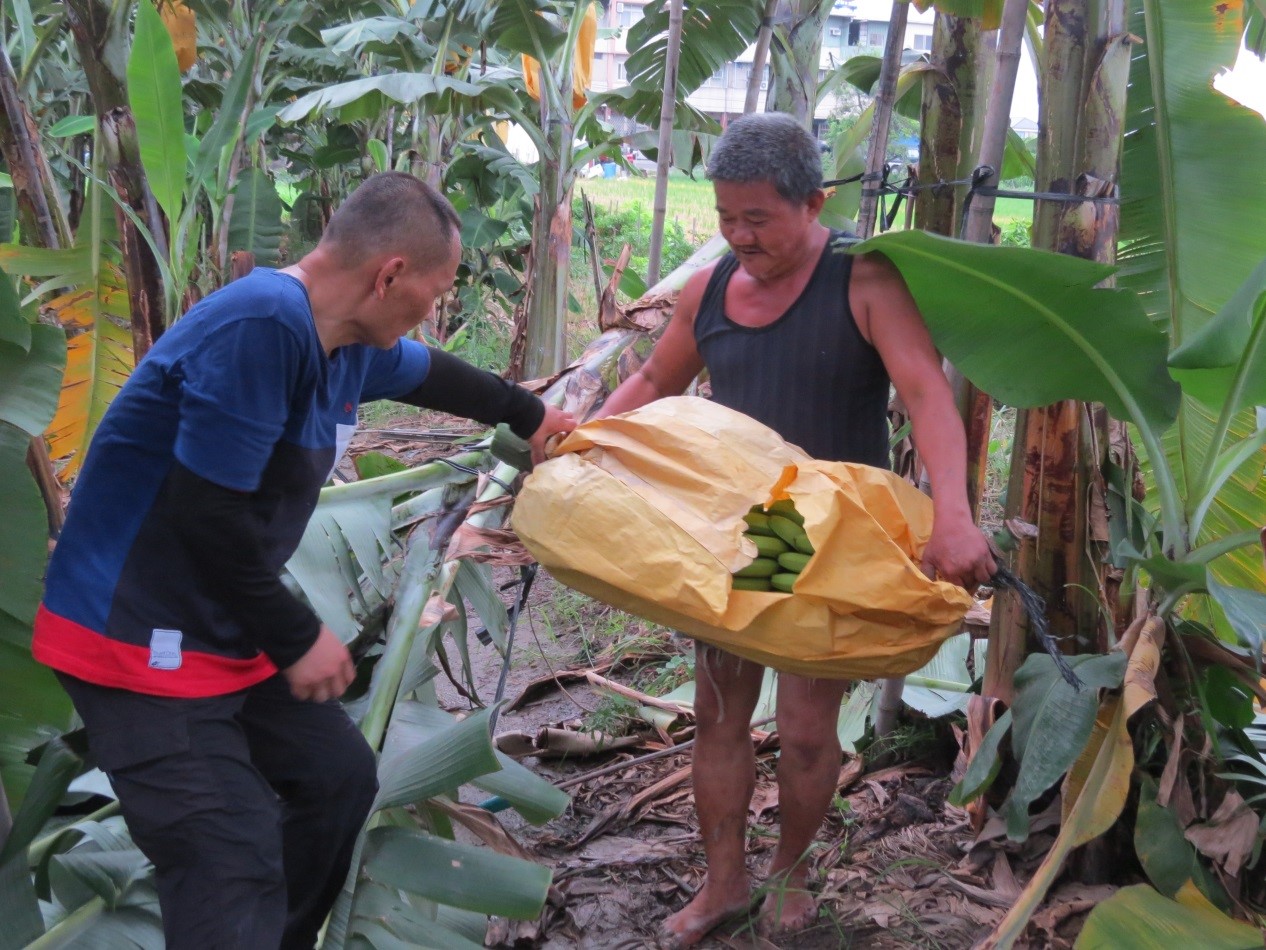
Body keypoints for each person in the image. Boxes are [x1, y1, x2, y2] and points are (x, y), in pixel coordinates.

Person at [32, 172, 574, 949]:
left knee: (336, 781)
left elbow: (435, 375)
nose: (434, 309)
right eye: (434, 291)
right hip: (134, 635)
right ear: (389, 275)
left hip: (221, 622)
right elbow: (207, 517)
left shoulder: (348, 342)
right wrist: (295, 636)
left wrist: (531, 413)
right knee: (227, 857)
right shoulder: (261, 326)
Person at [596, 113, 995, 946]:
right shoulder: (708, 292)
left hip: (834, 533)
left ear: (812, 203)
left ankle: (790, 874)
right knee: (720, 714)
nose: (739, 236)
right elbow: (655, 381)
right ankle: (722, 885)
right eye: (726, 217)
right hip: (740, 530)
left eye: (758, 218)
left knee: (809, 731)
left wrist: (954, 516)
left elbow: (927, 395)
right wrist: (581, 442)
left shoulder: (862, 280)